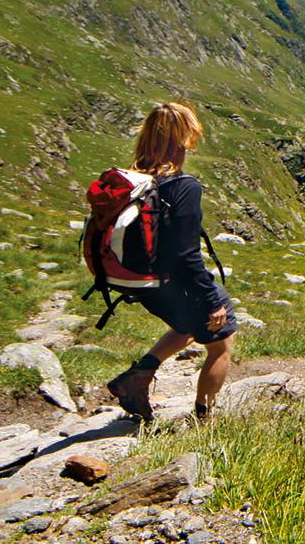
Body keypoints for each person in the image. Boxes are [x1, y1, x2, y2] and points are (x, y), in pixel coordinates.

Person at [105, 102, 237, 421]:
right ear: (183, 140)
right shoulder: (182, 187)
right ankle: (204, 420)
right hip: (168, 278)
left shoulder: (134, 182)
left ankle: (135, 379)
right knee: (221, 345)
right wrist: (210, 300)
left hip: (138, 279)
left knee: (186, 325)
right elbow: (186, 254)